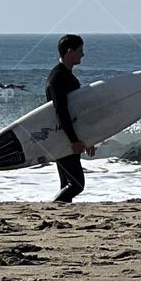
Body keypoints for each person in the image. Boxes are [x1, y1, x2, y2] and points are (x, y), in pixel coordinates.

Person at [46, 34, 94, 202]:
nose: (83, 54)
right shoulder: (58, 78)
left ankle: (57, 217)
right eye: (80, 50)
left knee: (66, 184)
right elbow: (60, 111)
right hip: (63, 138)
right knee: (76, 184)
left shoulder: (67, 76)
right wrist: (73, 141)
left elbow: (76, 112)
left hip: (67, 136)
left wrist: (87, 138)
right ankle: (53, 208)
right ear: (69, 51)